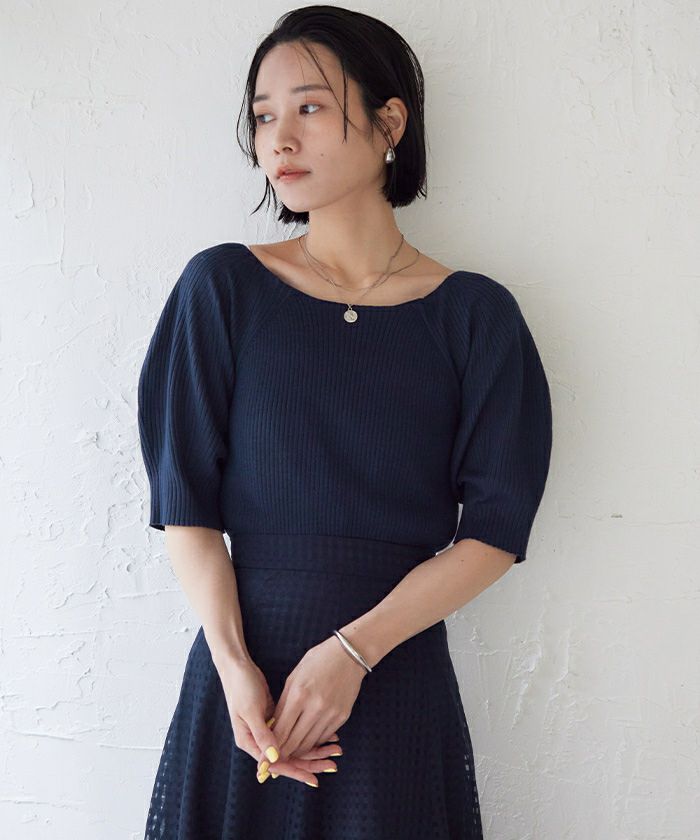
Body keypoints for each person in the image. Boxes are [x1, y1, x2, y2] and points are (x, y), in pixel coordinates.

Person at [137, 6, 553, 839]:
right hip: (245, 688)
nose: (280, 139)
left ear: (389, 123)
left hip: (392, 679)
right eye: (263, 116)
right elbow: (185, 505)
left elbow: (495, 531)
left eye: (310, 107)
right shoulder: (222, 289)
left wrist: (352, 653)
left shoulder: (475, 317)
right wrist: (233, 668)